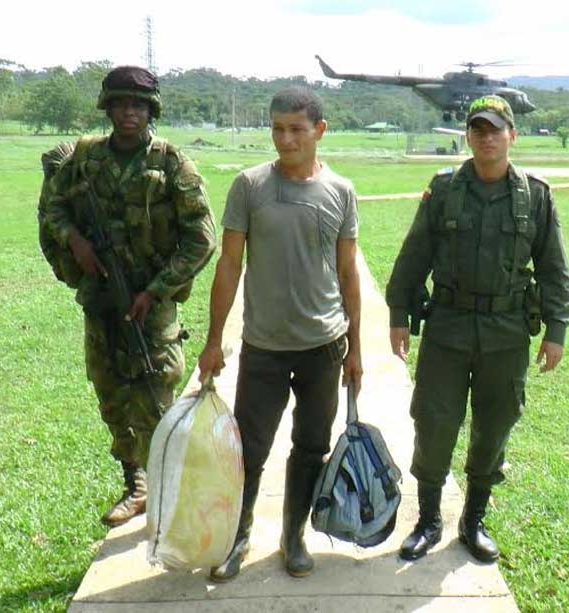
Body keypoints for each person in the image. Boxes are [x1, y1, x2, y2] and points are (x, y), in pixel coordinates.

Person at [385, 95, 569, 563]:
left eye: (495, 129)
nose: (486, 137)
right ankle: (429, 520)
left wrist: (558, 328)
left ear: (512, 134)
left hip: (507, 331)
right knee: (434, 422)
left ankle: (473, 520)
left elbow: (554, 267)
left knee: (494, 426)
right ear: (467, 136)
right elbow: (414, 257)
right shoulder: (445, 189)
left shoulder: (535, 194)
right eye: (477, 129)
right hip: (448, 326)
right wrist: (397, 315)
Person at [40, 66, 217, 527]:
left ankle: (172, 486)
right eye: (120, 104)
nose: (128, 113)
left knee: (156, 390)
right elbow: (52, 207)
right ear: (108, 108)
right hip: (101, 296)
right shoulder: (84, 158)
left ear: (150, 110)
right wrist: (73, 239)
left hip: (151, 303)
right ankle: (135, 482)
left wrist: (157, 290)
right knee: (110, 389)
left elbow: (202, 237)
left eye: (138, 105)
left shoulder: (171, 163)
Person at [197, 86, 362, 581]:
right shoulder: (249, 186)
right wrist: (212, 340)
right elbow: (229, 263)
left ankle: (293, 536)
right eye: (277, 128)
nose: (285, 139)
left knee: (312, 445)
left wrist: (354, 347)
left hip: (323, 346)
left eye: (296, 129)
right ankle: (236, 536)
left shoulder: (341, 191)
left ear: (320, 130)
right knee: (249, 446)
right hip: (264, 347)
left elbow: (348, 270)